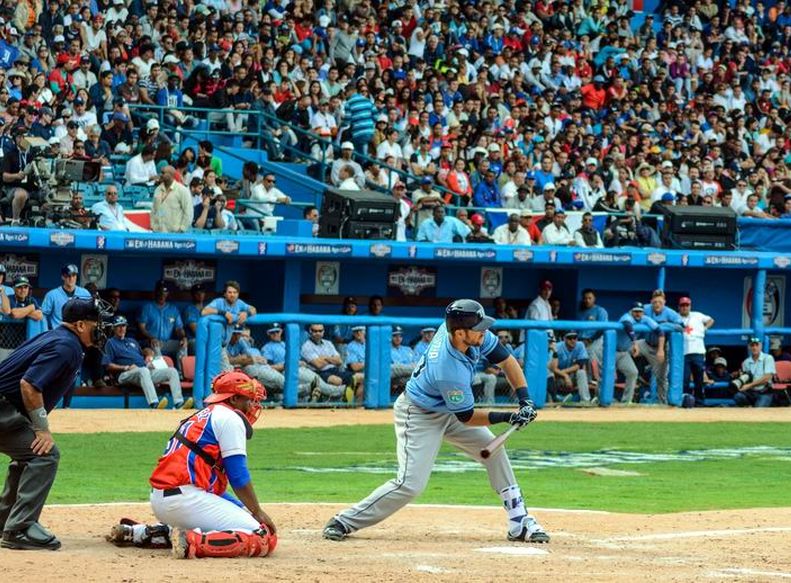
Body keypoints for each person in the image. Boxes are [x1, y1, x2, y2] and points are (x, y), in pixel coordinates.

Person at [322, 300, 548, 544]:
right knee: (410, 484)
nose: (484, 332)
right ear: (460, 332)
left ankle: (519, 522)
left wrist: (525, 401)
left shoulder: (466, 334)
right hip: (420, 415)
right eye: (479, 327)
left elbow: (507, 361)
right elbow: (467, 417)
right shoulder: (447, 367)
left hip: (447, 409)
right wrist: (508, 417)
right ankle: (344, 520)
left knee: (494, 452)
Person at [107, 371, 277, 559]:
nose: (253, 405)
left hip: (164, 499)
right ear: (235, 398)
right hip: (185, 501)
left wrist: (243, 509)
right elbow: (238, 477)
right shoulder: (230, 418)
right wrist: (257, 511)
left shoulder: (204, 415)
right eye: (249, 399)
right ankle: (192, 542)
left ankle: (141, 532)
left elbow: (215, 490)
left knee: (239, 518)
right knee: (262, 536)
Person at [0, 298, 113, 550]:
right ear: (81, 325)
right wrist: (41, 429)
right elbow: (29, 384)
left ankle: (6, 519)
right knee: (45, 454)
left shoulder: (59, 338)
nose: (102, 328)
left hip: (6, 409)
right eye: (98, 323)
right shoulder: (66, 346)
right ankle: (19, 529)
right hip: (3, 408)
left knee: (29, 453)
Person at [104, 316, 192, 410]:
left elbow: (142, 354)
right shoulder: (110, 343)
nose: (122, 329)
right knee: (143, 371)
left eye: (123, 326)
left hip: (143, 371)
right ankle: (154, 403)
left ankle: (179, 403)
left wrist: (149, 359)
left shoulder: (132, 341)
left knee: (172, 371)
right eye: (119, 326)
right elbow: (108, 366)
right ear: (113, 328)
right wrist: (126, 367)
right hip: (124, 374)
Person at [643, 289, 684, 404]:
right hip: (645, 344)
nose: (657, 304)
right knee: (625, 351)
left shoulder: (669, 312)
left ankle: (662, 402)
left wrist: (664, 325)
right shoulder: (645, 309)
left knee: (661, 377)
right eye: (655, 302)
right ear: (651, 302)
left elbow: (681, 325)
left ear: (664, 302)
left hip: (660, 348)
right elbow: (632, 315)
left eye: (660, 302)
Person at [300, 324, 356, 396]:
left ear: (323, 332)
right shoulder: (306, 346)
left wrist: (325, 358)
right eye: (315, 331)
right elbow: (318, 365)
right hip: (319, 373)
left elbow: (339, 361)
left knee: (357, 377)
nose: (318, 333)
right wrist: (332, 359)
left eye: (320, 331)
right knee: (337, 381)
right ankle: (341, 399)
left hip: (334, 369)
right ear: (310, 332)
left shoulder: (328, 343)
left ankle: (355, 404)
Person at [678, 297, 714, 406]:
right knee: (684, 379)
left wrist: (705, 328)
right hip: (683, 353)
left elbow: (711, 320)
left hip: (698, 351)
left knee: (699, 379)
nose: (684, 307)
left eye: (686, 305)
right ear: (679, 307)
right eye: (682, 305)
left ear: (690, 306)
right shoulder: (676, 317)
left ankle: (699, 402)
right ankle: (685, 402)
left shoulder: (697, 315)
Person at [614, 303, 649, 404]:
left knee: (633, 372)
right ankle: (599, 399)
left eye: (640, 312)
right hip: (610, 350)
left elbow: (656, 327)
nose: (638, 314)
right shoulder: (627, 317)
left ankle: (626, 401)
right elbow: (628, 325)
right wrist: (634, 343)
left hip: (623, 353)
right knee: (605, 375)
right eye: (636, 311)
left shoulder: (644, 320)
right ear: (631, 311)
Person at [41, 264, 92, 329]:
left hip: (79, 333)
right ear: (62, 277)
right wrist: (46, 332)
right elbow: (43, 314)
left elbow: (90, 314)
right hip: (59, 333)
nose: (71, 278)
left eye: (74, 275)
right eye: (68, 276)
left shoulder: (85, 293)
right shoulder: (52, 295)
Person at [731, 338, 776, 408]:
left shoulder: (768, 358)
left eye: (757, 345)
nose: (754, 347)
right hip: (751, 392)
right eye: (752, 345)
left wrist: (749, 385)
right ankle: (748, 407)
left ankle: (753, 408)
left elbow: (767, 378)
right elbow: (746, 378)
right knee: (738, 396)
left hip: (764, 392)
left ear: (760, 346)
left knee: (758, 410)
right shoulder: (746, 362)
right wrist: (738, 380)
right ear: (749, 347)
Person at [554, 332, 594, 405]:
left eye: (575, 338)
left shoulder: (580, 345)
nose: (573, 340)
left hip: (571, 375)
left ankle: (585, 401)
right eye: (570, 338)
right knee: (550, 376)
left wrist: (565, 372)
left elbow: (580, 364)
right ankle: (557, 398)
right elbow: (553, 368)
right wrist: (565, 376)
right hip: (558, 376)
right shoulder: (557, 347)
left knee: (581, 372)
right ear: (564, 339)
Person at [151, 166, 192, 233]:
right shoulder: (157, 189)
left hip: (175, 234)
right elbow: (153, 210)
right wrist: (153, 226)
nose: (161, 175)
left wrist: (182, 229)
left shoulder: (182, 190)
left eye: (163, 173)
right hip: (158, 233)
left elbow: (188, 211)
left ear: (170, 175)